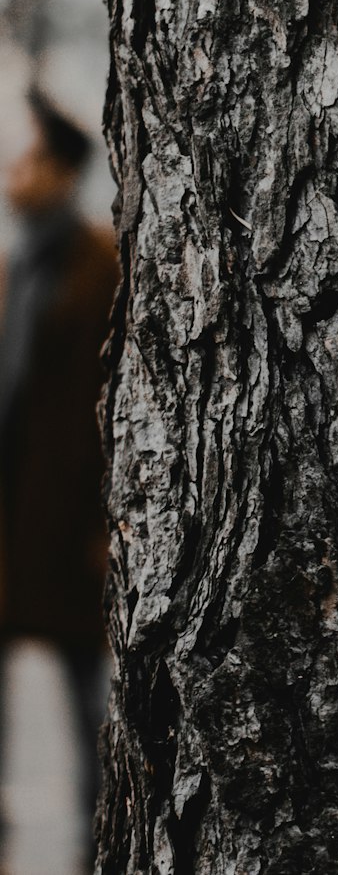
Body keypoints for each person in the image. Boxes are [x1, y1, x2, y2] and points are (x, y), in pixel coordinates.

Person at [0, 90, 117, 869]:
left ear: (64, 170)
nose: (14, 173)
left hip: (71, 531)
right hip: (9, 531)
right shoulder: (15, 266)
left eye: (30, 157)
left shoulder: (99, 264)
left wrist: (103, 528)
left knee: (94, 717)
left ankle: (101, 852)